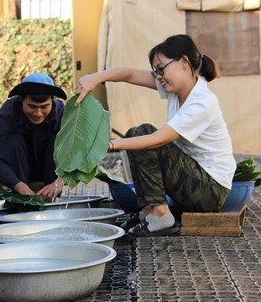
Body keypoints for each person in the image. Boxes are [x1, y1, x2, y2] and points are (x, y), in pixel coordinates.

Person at [74, 34, 236, 236]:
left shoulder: (202, 101)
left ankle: (160, 215)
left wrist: (109, 145)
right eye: (155, 71)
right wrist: (95, 78)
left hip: (210, 190)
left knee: (144, 135)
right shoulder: (177, 89)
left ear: (184, 62)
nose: (158, 76)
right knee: (136, 134)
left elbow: (158, 139)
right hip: (194, 180)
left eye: (161, 69)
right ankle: (149, 211)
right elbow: (128, 74)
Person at [0, 73, 67, 200]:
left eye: (44, 107)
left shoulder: (63, 114)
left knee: (57, 140)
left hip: (50, 171)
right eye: (32, 106)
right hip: (18, 172)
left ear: (52, 101)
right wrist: (20, 187)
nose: (38, 113)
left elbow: (79, 155)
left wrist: (60, 181)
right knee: (15, 140)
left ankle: (51, 196)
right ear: (21, 100)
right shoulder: (6, 115)